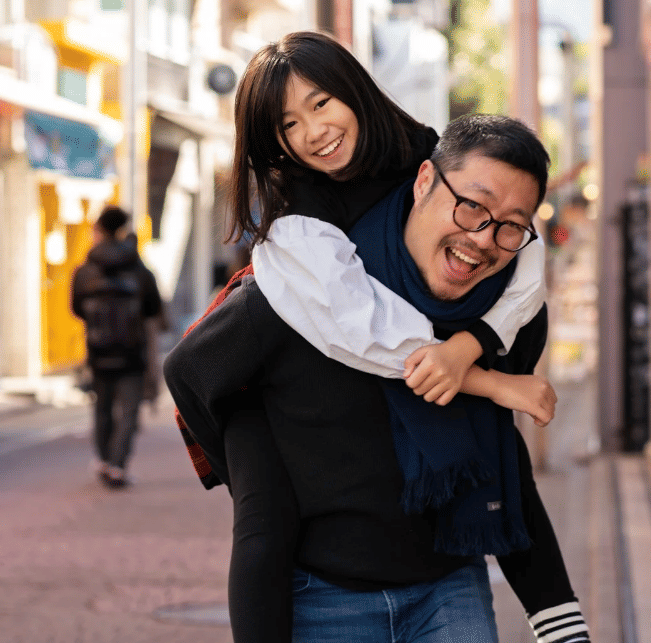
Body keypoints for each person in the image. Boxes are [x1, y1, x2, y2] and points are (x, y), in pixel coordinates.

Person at [171, 32, 589, 643]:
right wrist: (258, 458)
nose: (314, 131)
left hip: (447, 583)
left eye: (321, 103)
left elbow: (521, 256)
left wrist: (471, 344)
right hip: (323, 593)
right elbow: (351, 329)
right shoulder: (300, 246)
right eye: (289, 124)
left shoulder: (438, 165)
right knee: (264, 517)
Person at [72, 206, 164, 489]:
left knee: (102, 407)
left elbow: (76, 308)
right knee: (129, 411)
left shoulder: (85, 270)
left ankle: (103, 459)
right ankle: (118, 465)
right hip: (132, 350)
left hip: (98, 349)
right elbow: (153, 307)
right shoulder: (138, 268)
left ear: (99, 229)